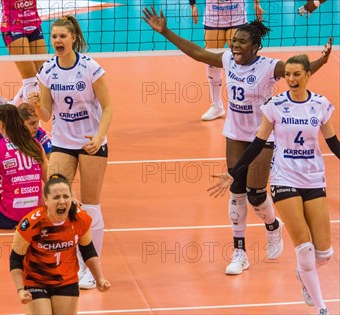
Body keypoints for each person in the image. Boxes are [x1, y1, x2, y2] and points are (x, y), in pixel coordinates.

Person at [142, 6, 333, 275]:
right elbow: (198, 53)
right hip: (235, 133)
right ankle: (239, 252)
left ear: (255, 46)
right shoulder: (229, 60)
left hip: (262, 136)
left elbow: (297, 69)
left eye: (241, 43)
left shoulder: (270, 66)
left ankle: (272, 226)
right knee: (236, 190)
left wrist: (321, 62)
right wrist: (166, 32)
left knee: (256, 195)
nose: (235, 47)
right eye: (234, 43)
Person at [209, 54, 339, 315]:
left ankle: (304, 273)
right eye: (288, 74)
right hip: (285, 178)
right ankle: (322, 308)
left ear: (307, 75)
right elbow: (257, 143)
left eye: (296, 74)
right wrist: (234, 173)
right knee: (304, 248)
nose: (291, 79)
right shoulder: (275, 105)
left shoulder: (321, 105)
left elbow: (334, 144)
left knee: (323, 253)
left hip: (313, 178)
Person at [27, 15, 114, 289]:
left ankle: (91, 267)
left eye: (62, 36)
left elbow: (109, 107)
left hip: (90, 141)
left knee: (90, 204)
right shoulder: (47, 70)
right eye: (54, 37)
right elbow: (46, 114)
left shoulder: (91, 68)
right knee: (55, 199)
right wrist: (35, 106)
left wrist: (99, 138)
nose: (57, 41)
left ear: (73, 37)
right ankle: (62, 261)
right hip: (63, 141)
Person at [10, 174, 111, 314]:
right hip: (36, 282)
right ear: (46, 200)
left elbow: (88, 250)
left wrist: (99, 278)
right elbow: (15, 259)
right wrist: (20, 289)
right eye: (56, 197)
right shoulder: (31, 223)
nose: (62, 201)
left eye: (66, 196)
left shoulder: (80, 219)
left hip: (66, 281)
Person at [189, 0, 265, 121]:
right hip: (213, 17)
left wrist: (257, 3)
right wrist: (193, 5)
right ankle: (216, 105)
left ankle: (246, 104)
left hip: (236, 16)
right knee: (211, 61)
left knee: (241, 59)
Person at [0, 0, 48, 103]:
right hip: (13, 28)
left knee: (44, 76)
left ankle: (8, 106)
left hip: (34, 25)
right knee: (30, 80)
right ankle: (31, 118)